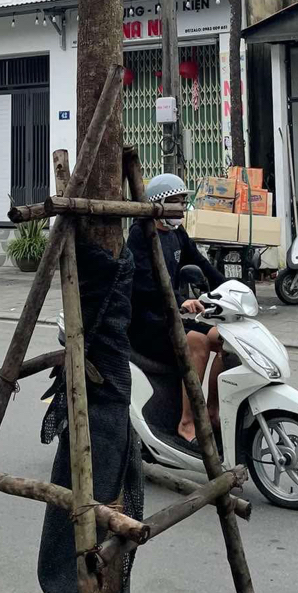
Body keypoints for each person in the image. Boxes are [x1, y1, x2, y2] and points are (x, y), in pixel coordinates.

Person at [127, 172, 226, 447]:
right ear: (158, 204)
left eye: (183, 201)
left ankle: (213, 412)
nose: (181, 207)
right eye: (175, 201)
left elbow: (201, 263)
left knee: (227, 341)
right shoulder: (140, 234)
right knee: (198, 343)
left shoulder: (176, 233)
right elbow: (144, 284)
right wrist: (180, 300)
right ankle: (186, 423)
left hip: (172, 316)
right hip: (148, 322)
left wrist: (230, 288)